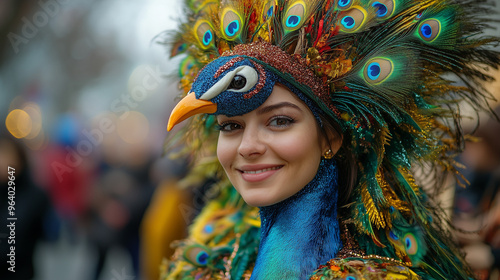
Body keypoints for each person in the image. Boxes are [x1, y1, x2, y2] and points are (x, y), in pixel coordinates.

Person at [160, 0, 500, 279]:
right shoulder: (201, 265)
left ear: (332, 138)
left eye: (279, 121)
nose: (248, 147)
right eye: (230, 127)